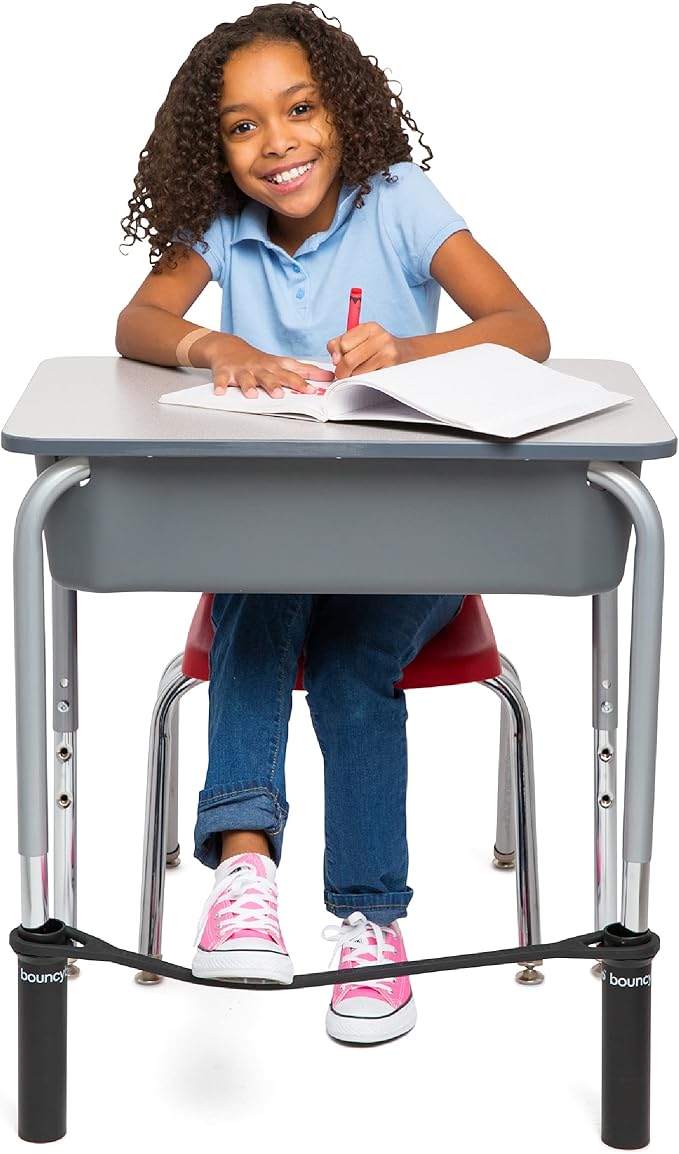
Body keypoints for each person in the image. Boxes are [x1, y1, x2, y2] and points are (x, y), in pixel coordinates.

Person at [116, 1, 549, 1045]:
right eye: (243, 124)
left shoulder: (398, 200)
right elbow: (138, 322)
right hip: (280, 532)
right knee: (259, 594)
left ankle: (369, 919)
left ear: (342, 108)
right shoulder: (225, 225)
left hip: (418, 535)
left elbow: (522, 330)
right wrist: (214, 347)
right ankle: (245, 871)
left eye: (300, 108)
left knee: (354, 660)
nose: (279, 143)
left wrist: (407, 352)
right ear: (212, 148)